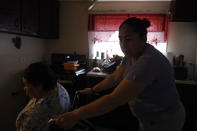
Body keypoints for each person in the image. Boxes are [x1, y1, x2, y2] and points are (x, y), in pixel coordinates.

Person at [55, 17, 185, 131]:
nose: (123, 45)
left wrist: (75, 115)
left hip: (165, 119)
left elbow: (114, 100)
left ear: (144, 38)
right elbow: (115, 77)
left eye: (128, 39)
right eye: (120, 39)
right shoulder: (130, 55)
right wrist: (93, 89)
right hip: (148, 117)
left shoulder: (148, 62)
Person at [16, 62, 70, 131]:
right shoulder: (57, 87)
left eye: (26, 85)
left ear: (39, 86)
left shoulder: (41, 111)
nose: (25, 88)